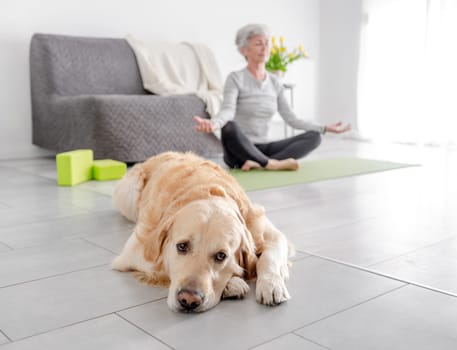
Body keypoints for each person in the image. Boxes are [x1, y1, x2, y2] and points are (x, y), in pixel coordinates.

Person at [194, 23, 351, 171]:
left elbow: (292, 119)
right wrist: (213, 123)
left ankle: (261, 163)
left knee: (314, 137)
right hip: (240, 151)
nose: (265, 48)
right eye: (258, 43)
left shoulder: (275, 82)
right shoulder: (235, 78)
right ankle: (270, 164)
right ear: (244, 51)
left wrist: (324, 128)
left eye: (267, 43)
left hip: (265, 147)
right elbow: (227, 110)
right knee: (229, 127)